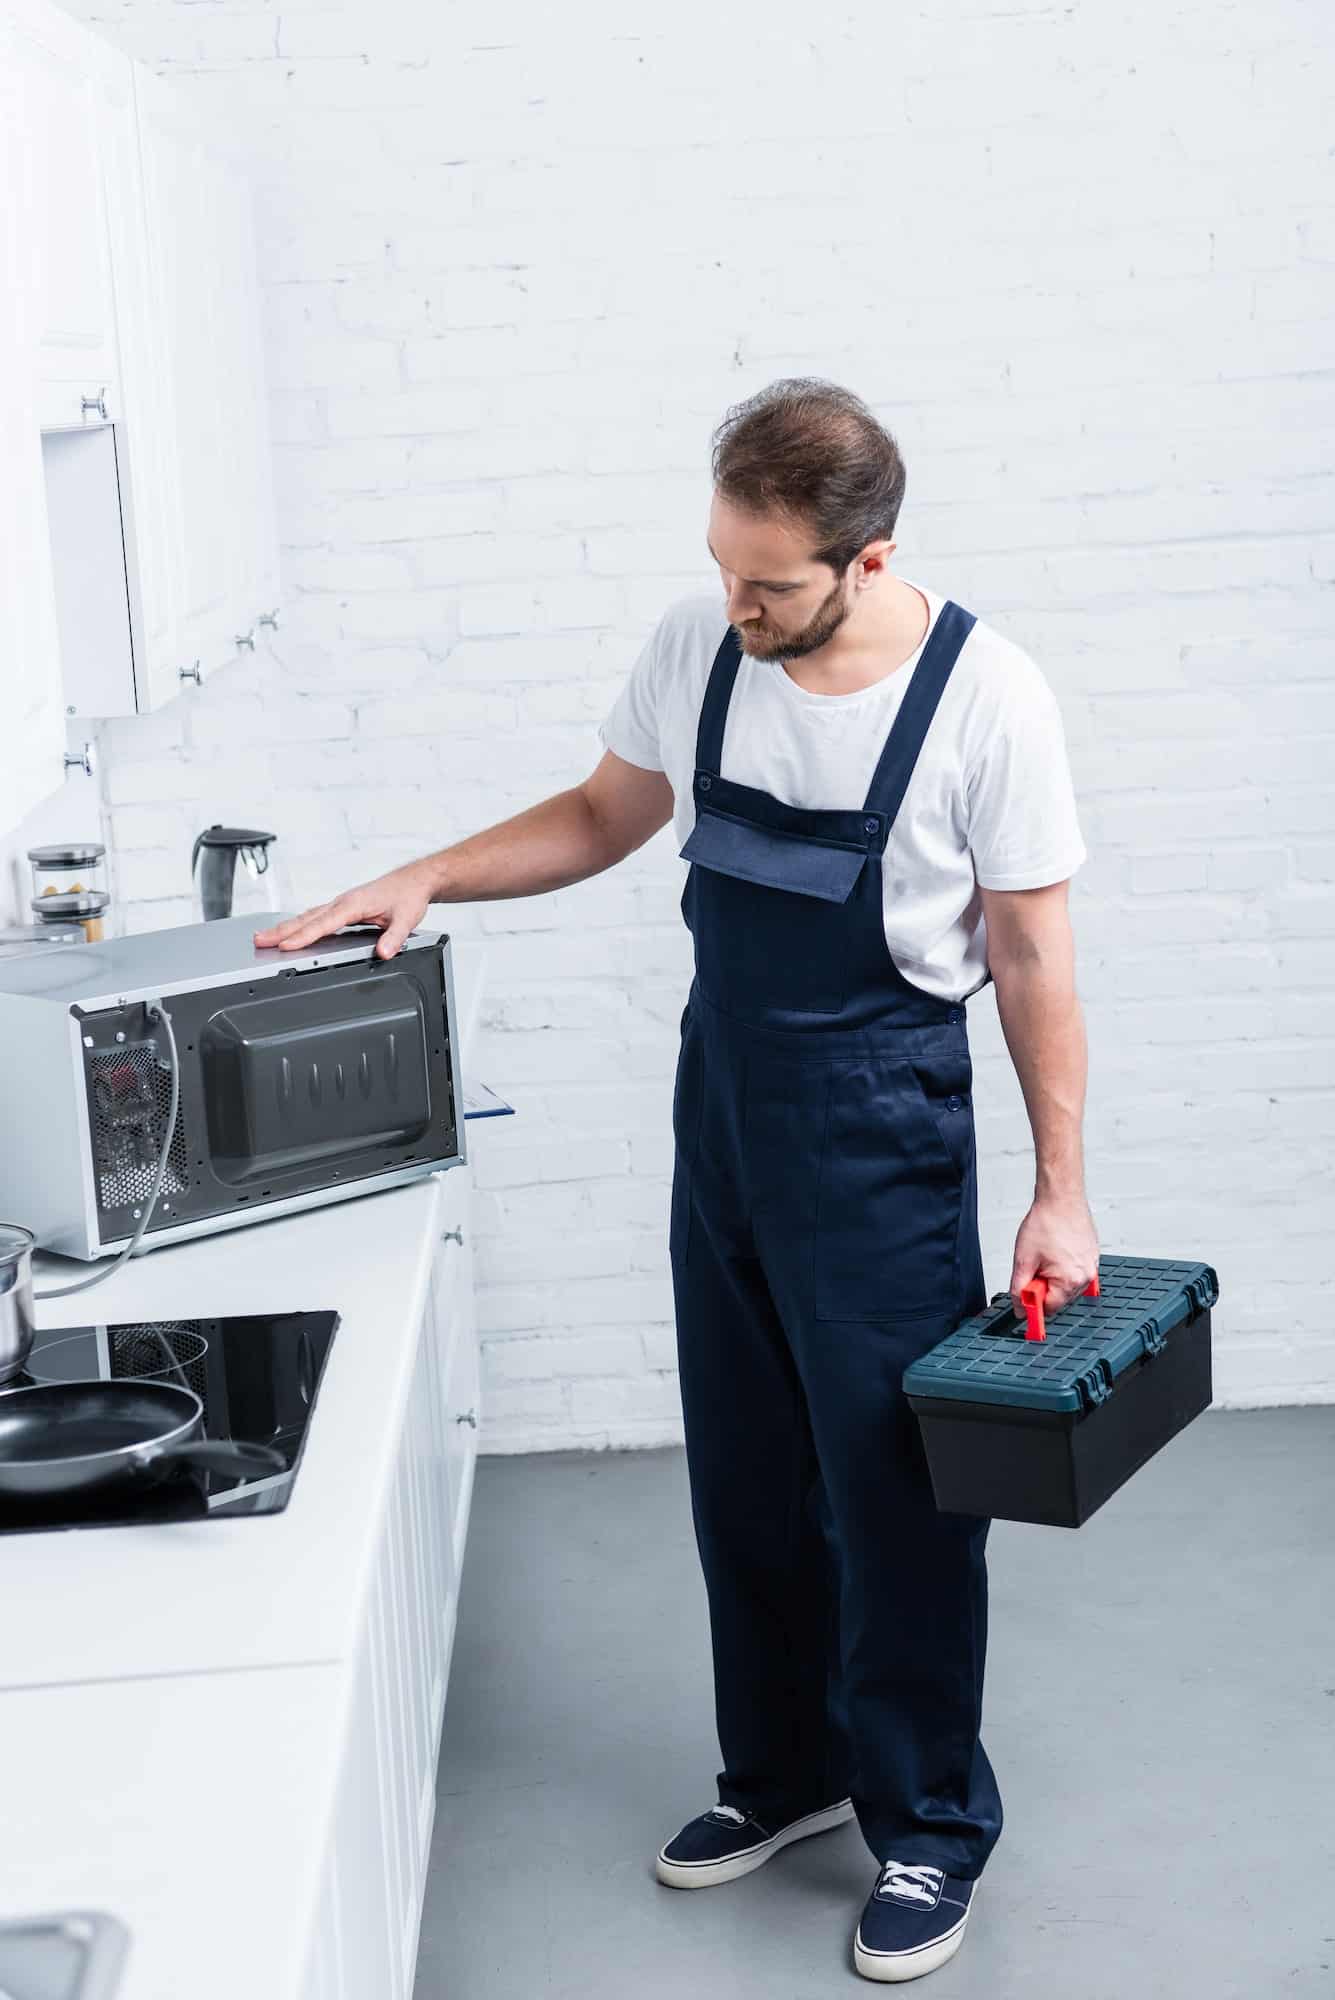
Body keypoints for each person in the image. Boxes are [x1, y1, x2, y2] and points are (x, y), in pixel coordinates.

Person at [256, 377, 1099, 1984]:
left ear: (868, 560)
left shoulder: (990, 699)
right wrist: (426, 872)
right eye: (725, 565)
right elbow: (601, 815)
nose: (737, 602)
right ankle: (781, 1781)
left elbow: (1033, 944)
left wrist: (1062, 1187)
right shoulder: (701, 648)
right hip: (724, 1103)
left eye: (770, 583)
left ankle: (926, 1830)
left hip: (878, 1125)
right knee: (747, 1469)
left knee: (894, 1492)